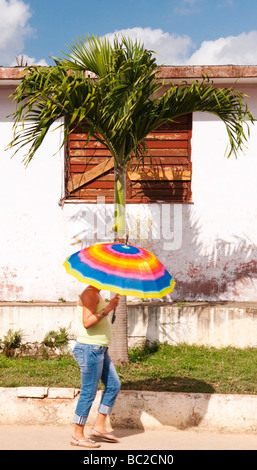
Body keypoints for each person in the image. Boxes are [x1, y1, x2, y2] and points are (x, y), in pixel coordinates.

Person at [70, 285, 121, 448]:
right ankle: (77, 435)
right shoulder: (90, 294)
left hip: (99, 349)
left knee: (113, 385)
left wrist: (109, 306)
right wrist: (108, 309)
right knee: (88, 392)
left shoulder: (96, 294)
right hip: (90, 349)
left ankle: (99, 427)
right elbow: (87, 322)